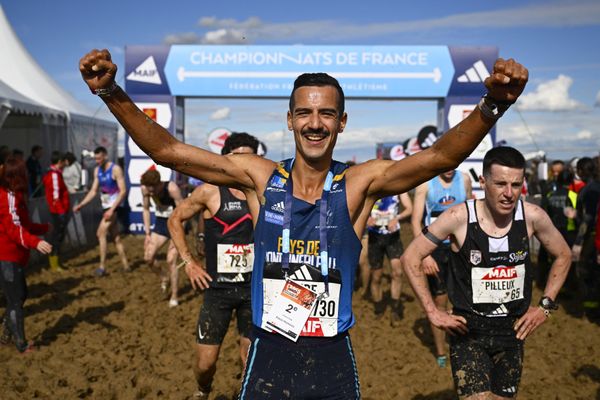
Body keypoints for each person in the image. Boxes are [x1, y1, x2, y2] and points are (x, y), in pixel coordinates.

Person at [80, 48, 528, 398]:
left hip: (333, 356)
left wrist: (492, 105)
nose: (316, 124)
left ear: (342, 122)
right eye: (306, 113)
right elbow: (168, 152)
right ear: (290, 120)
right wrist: (110, 93)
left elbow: (441, 156)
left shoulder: (360, 184)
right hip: (268, 352)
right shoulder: (259, 178)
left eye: (327, 113)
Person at [401, 147, 571, 399]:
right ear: (483, 182)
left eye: (516, 184)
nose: (508, 193)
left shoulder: (532, 216)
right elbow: (411, 257)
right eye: (500, 184)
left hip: (513, 332)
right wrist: (432, 312)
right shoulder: (458, 217)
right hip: (469, 332)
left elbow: (564, 255)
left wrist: (545, 306)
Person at [168, 132, 259, 399]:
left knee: (249, 358)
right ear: (227, 158)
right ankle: (203, 389)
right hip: (217, 289)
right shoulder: (209, 190)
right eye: (239, 157)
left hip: (252, 290)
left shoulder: (262, 192)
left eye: (251, 158)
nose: (245, 164)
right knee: (206, 364)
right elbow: (175, 219)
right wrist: (189, 262)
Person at [411, 169, 471, 368]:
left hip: (461, 250)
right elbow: (415, 220)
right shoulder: (426, 184)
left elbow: (472, 213)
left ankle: (465, 343)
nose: (449, 169)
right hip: (435, 250)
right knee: (440, 302)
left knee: (468, 299)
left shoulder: (464, 179)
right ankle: (440, 351)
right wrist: (425, 254)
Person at [0, 155, 52, 353]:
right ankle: (20, 344)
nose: (29, 174)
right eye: (25, 171)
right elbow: (14, 229)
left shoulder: (15, 195)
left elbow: (24, 224)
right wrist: (36, 241)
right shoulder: (8, 197)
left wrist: (43, 228)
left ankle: (7, 333)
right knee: (16, 299)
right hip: (6, 256)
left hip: (13, 256)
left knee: (19, 296)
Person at [73, 146, 129, 276]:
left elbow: (123, 191)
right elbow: (93, 191)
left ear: (105, 156)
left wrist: (112, 209)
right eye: (96, 158)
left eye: (99, 158)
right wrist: (81, 204)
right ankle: (126, 265)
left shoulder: (115, 169)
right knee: (116, 238)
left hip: (114, 207)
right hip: (106, 207)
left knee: (100, 233)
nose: (97, 161)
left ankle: (102, 267)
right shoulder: (97, 170)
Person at [366, 192, 412, 325]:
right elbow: (359, 206)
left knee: (398, 272)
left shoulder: (398, 187)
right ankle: (379, 308)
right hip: (375, 237)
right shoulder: (373, 187)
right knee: (376, 276)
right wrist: (367, 217)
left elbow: (410, 208)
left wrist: (397, 218)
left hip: (393, 237)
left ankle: (395, 309)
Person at [140, 167, 183, 307]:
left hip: (176, 224)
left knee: (171, 260)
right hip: (161, 223)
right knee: (148, 257)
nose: (151, 191)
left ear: (159, 184)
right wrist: (147, 234)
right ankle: (164, 277)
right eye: (149, 188)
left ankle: (175, 296)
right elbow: (146, 209)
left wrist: (177, 238)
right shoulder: (145, 190)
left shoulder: (172, 188)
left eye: (154, 188)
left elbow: (184, 213)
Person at [571, 157, 600, 319]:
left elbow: (588, 218)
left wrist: (578, 242)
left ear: (581, 171)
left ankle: (591, 310)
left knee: (587, 272)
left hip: (591, 237)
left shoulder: (588, 190)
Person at [42, 151, 70, 272]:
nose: (65, 164)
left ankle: (56, 261)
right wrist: (61, 212)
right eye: (63, 162)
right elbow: (55, 196)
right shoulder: (54, 175)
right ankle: (54, 263)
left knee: (59, 236)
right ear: (60, 162)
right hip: (58, 211)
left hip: (59, 210)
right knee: (57, 236)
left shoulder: (55, 174)